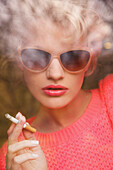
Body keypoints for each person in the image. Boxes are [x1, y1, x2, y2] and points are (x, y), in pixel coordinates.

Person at [0, 0, 113, 169]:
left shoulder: (110, 96)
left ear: (91, 62)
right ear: (19, 62)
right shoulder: (16, 153)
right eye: (37, 56)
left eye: (73, 57)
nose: (55, 74)